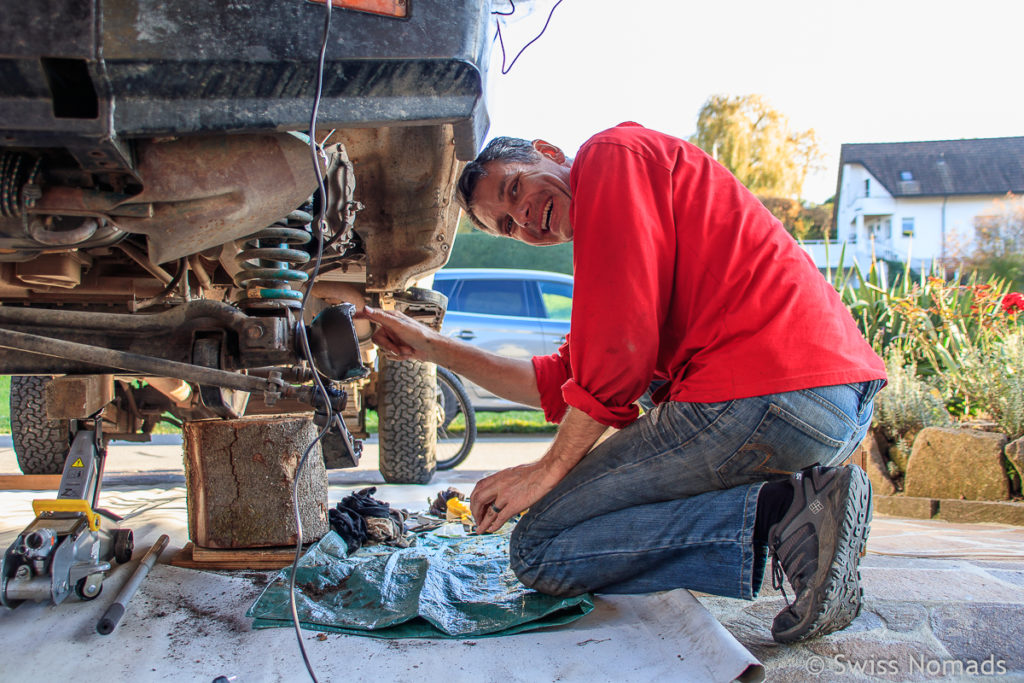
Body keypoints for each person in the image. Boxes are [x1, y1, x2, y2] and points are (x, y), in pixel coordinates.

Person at [361, 122, 887, 643]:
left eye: (514, 188)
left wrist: (547, 469)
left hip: (767, 395)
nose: (521, 217)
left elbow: (617, 360)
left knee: (538, 548)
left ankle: (785, 515)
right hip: (827, 408)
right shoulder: (623, 231)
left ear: (549, 151)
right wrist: (433, 348)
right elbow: (560, 380)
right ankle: (797, 517)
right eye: (506, 226)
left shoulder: (609, 156)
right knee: (579, 522)